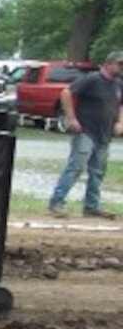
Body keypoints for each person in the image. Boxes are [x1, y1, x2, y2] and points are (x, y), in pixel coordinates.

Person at [48, 51, 123, 219]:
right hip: (86, 130)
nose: (121, 68)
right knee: (75, 167)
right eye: (120, 64)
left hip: (104, 133)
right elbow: (66, 93)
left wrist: (120, 122)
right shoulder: (92, 79)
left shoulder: (119, 84)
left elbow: (120, 105)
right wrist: (72, 118)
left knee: (98, 171)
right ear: (109, 64)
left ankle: (92, 206)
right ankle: (57, 202)